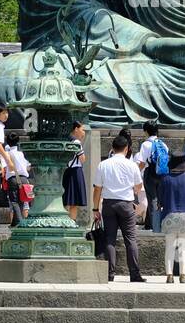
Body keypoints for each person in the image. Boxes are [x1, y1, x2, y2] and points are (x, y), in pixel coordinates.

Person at [92, 132, 146, 282]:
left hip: (109, 203)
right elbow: (138, 185)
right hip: (126, 204)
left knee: (110, 239)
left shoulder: (103, 164)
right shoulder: (132, 165)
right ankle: (134, 274)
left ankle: (110, 274)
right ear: (127, 148)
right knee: (131, 239)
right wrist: (132, 191)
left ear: (112, 148)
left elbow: (97, 189)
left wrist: (95, 209)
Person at [157, 153, 185, 283]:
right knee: (184, 247)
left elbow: (160, 201)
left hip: (169, 216)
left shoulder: (165, 179)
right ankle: (183, 275)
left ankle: (169, 276)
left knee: (169, 246)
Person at [135, 120, 168, 232]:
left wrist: (136, 174)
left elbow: (142, 163)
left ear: (146, 131)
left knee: (152, 200)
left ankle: (155, 227)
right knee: (157, 200)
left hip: (150, 174)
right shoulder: (163, 144)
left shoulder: (145, 144)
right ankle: (150, 224)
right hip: (162, 174)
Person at [60, 121, 87, 223]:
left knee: (66, 200)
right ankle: (72, 222)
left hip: (66, 171)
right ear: (76, 129)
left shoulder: (65, 140)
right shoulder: (76, 142)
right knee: (74, 201)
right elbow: (83, 159)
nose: (83, 132)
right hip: (75, 171)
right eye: (82, 129)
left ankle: (64, 221)